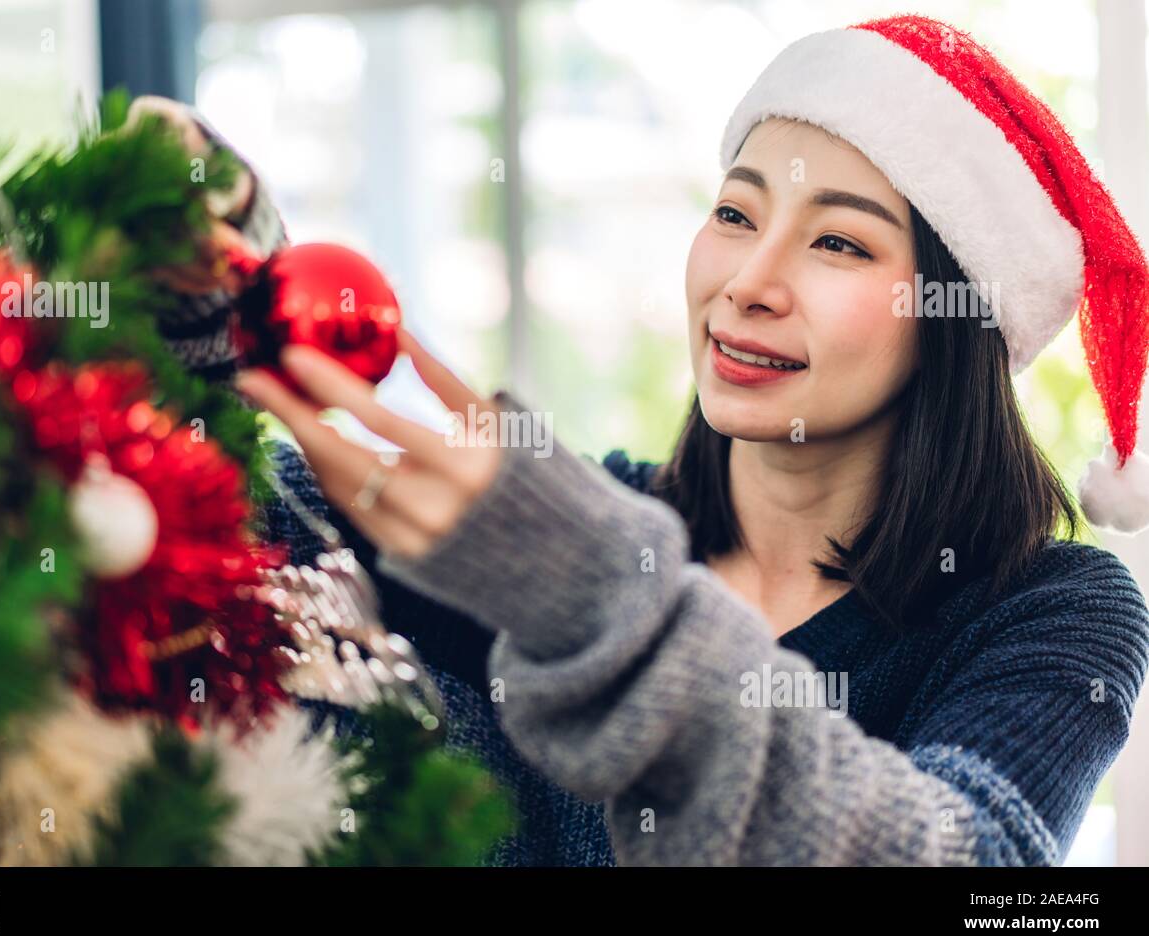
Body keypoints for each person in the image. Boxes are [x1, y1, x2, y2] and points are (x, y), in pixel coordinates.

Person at [158, 14, 1149, 865]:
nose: (748, 282)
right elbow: (203, 510)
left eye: (837, 241)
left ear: (953, 314)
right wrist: (219, 297)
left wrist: (600, 609)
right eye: (734, 214)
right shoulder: (597, 521)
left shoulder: (1049, 611)